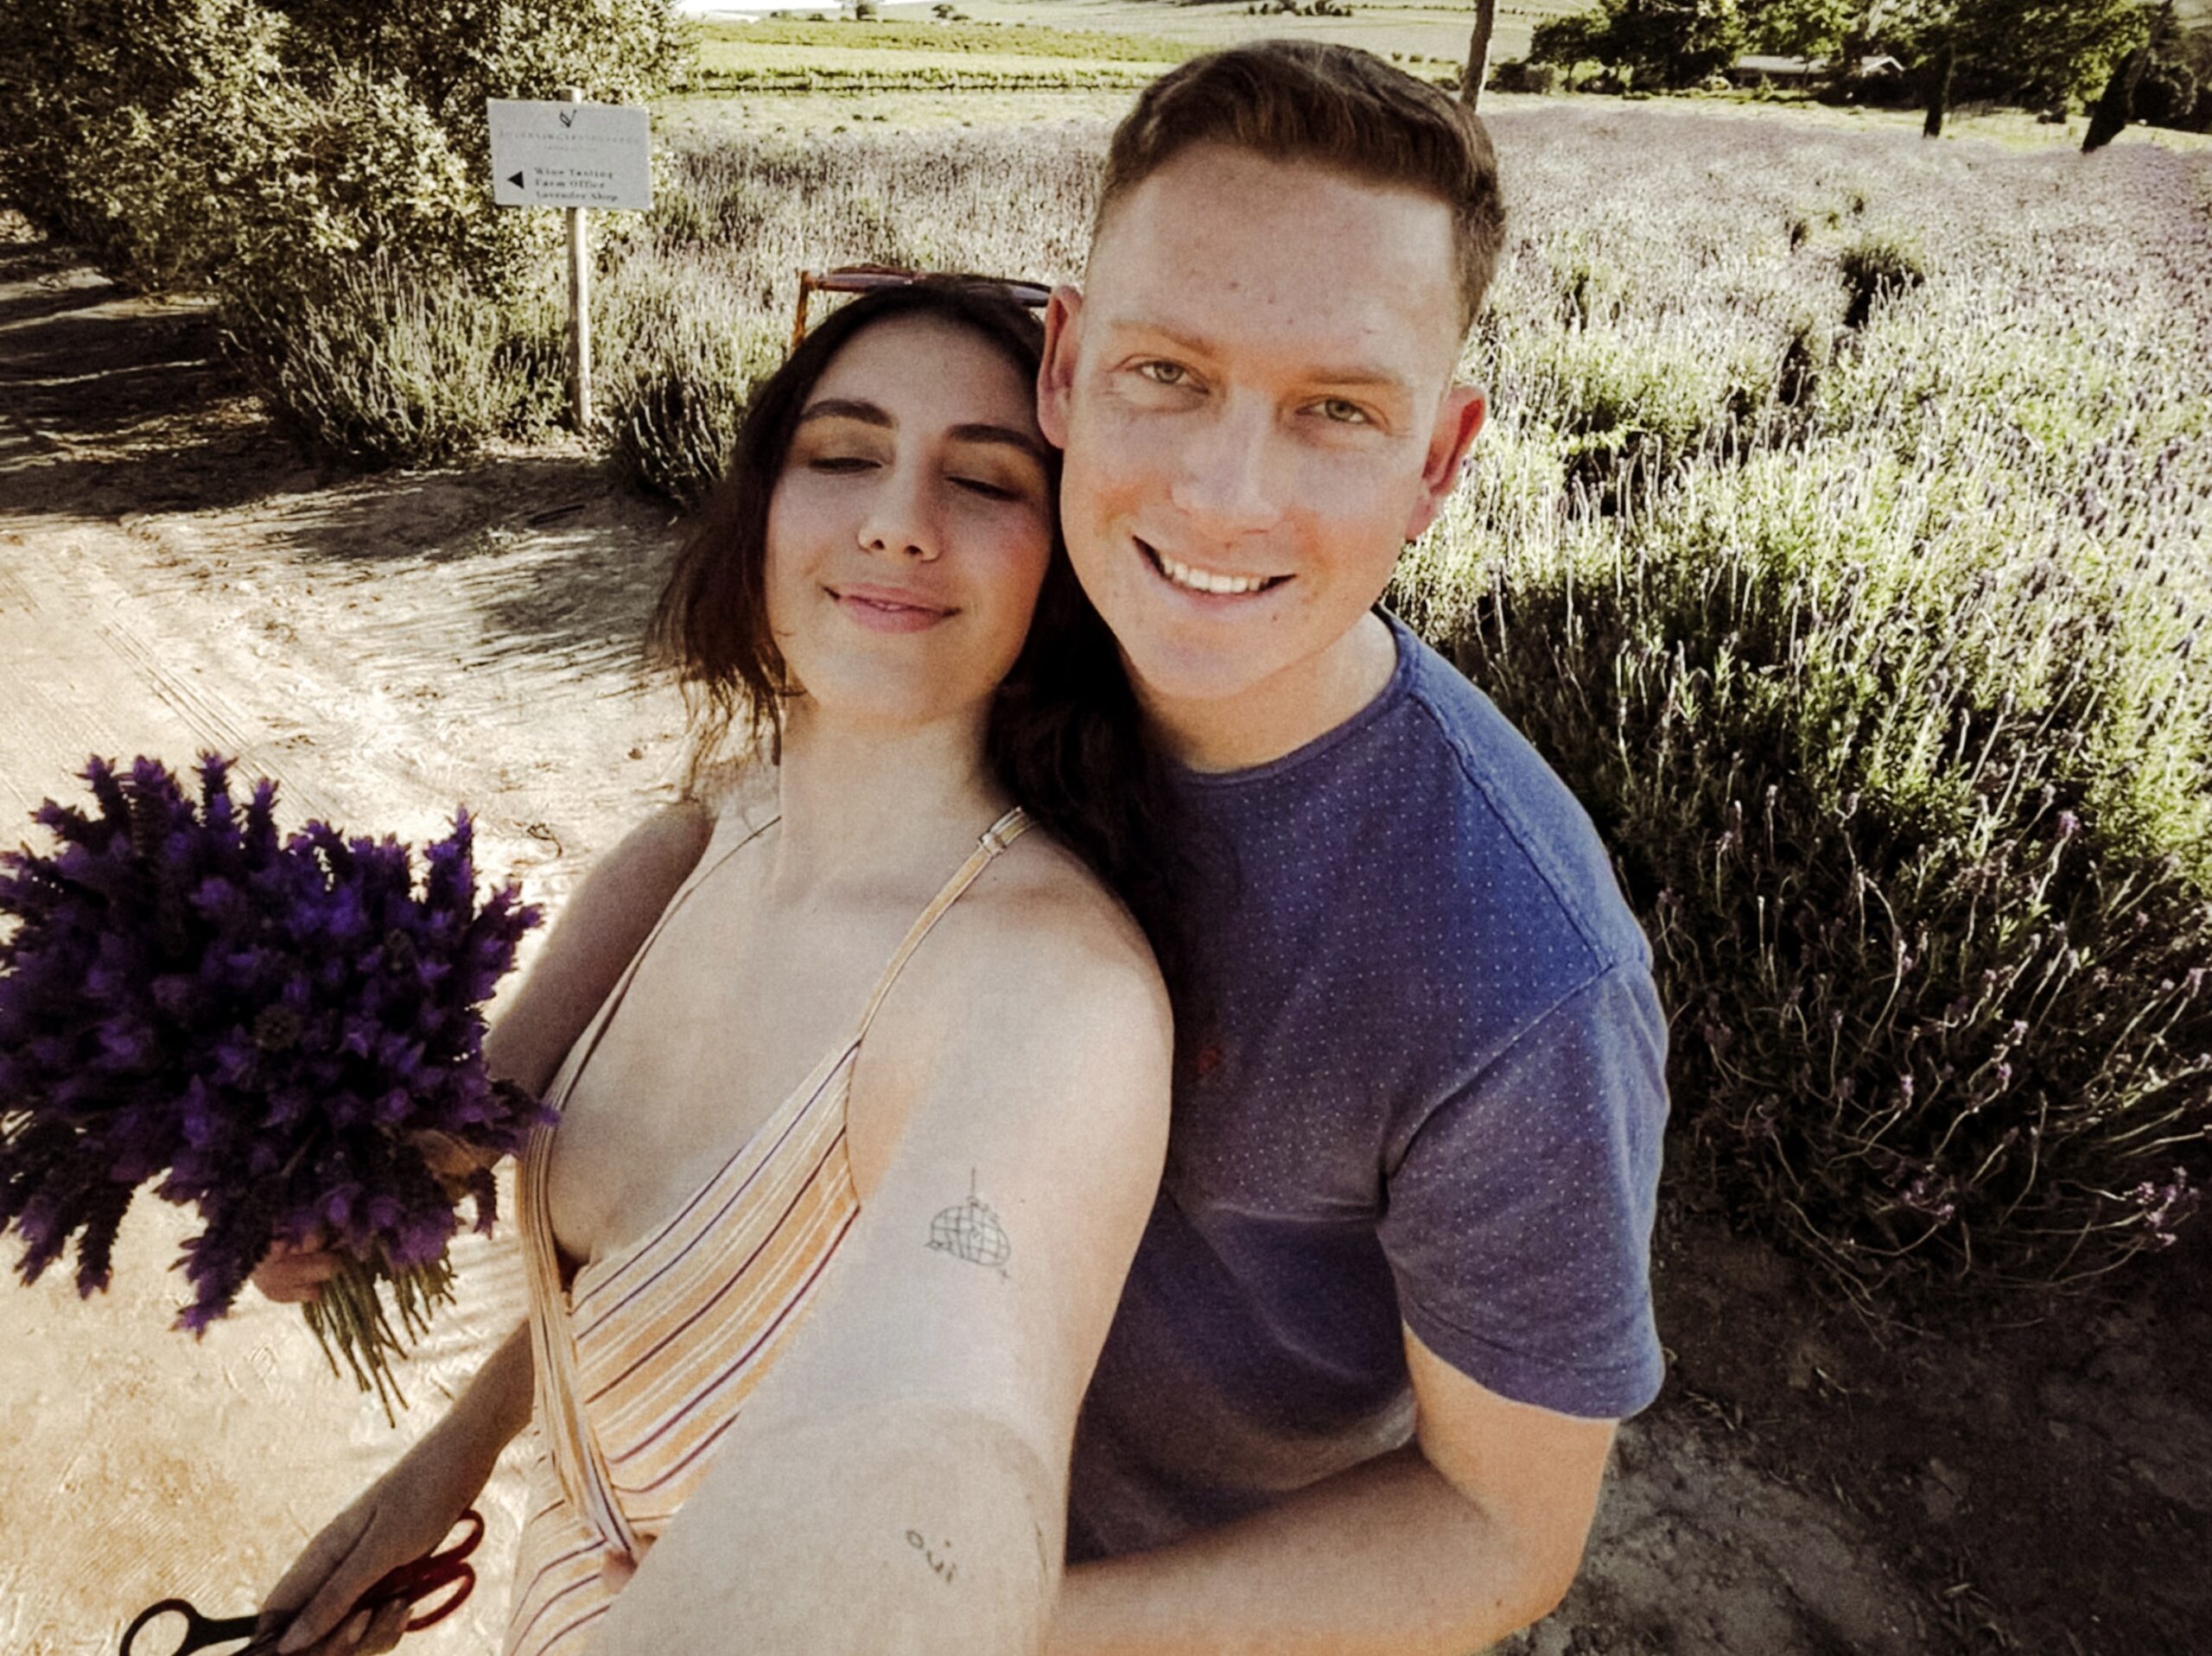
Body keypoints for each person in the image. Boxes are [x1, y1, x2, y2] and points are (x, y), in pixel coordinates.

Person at [271, 38, 1670, 1656]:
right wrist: (462, 1454)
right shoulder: (972, 670)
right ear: (1067, 369)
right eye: (1170, 371)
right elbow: (722, 1145)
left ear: (1441, 458)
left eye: (1337, 408)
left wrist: (944, 1620)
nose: (1223, 494)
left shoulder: (1516, 966)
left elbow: (1500, 1533)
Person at [252, 280, 1174, 1656]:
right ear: (761, 511)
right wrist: (437, 1457)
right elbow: (469, 1168)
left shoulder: (1045, 992)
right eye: (844, 454)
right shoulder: (698, 839)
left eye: (983, 482)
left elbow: (956, 1464)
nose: (897, 518)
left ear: (1065, 572)